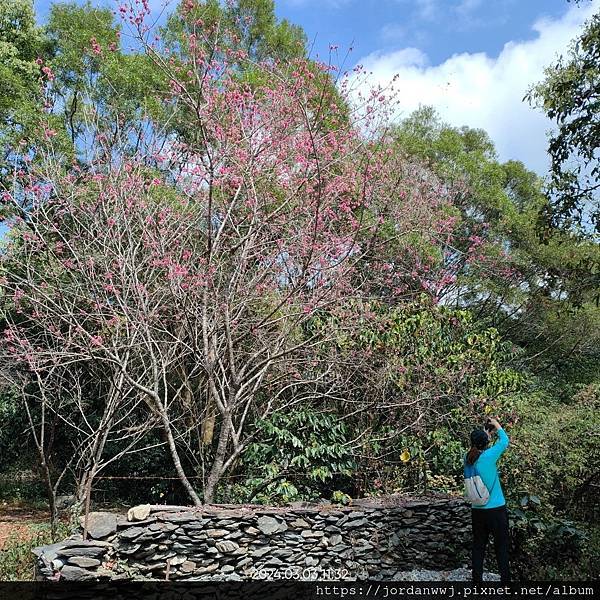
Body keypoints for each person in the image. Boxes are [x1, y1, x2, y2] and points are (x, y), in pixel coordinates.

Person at [465, 416, 511, 583]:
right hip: (496, 510)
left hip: (477, 510)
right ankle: (506, 584)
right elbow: (505, 441)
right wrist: (497, 424)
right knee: (501, 548)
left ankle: (477, 583)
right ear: (486, 443)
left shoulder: (468, 458)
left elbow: (478, 446)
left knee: (478, 547)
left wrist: (485, 434)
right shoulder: (489, 456)